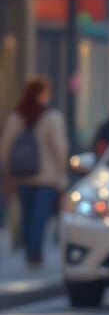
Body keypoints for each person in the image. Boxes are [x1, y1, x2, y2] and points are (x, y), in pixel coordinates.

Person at [0, 76, 69, 268]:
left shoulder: (16, 116)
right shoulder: (52, 117)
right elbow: (59, 148)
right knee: (40, 217)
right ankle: (34, 254)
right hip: (46, 177)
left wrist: (9, 169)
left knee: (27, 215)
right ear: (42, 93)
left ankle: (30, 252)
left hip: (23, 175)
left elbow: (5, 146)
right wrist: (61, 172)